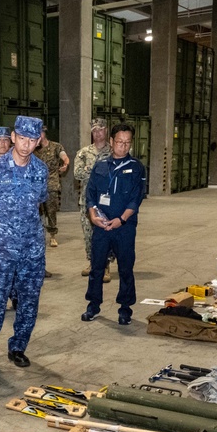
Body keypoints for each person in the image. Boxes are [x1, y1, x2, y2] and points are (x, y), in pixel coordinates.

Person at [0, 115, 48, 373]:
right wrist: (0, 230)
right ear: (13, 137)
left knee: (29, 300)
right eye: (22, 138)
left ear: (38, 141)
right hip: (2, 248)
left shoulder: (40, 170)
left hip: (31, 248)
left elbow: (38, 203)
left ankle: (18, 347)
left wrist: (23, 231)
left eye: (32, 140)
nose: (26, 144)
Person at [81, 123, 146, 326]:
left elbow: (136, 199)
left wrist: (121, 220)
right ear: (111, 142)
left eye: (127, 143)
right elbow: (90, 194)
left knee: (126, 268)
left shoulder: (136, 168)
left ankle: (125, 308)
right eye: (119, 142)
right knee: (97, 267)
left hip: (124, 228)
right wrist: (93, 216)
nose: (123, 146)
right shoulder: (100, 166)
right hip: (101, 226)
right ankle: (93, 305)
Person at [74, 118, 112, 280]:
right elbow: (77, 173)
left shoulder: (113, 152)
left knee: (105, 232)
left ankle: (105, 266)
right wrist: (98, 170)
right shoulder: (83, 153)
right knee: (88, 234)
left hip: (107, 201)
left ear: (106, 130)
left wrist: (90, 170)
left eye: (100, 130)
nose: (97, 134)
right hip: (86, 201)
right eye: (95, 130)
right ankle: (93, 262)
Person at [34, 125, 69, 248]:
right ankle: (38, 235)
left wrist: (65, 163)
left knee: (51, 210)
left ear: (44, 133)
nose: (38, 135)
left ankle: (52, 235)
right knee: (36, 212)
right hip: (36, 185)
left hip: (51, 184)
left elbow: (64, 156)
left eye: (40, 133)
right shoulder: (32, 149)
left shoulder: (55, 146)